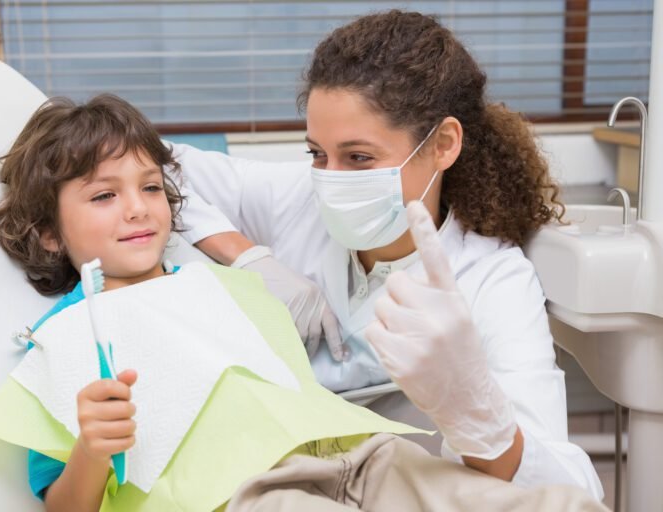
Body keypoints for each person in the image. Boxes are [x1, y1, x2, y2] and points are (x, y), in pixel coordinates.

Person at [0, 94, 608, 512]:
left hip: (358, 454)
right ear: (48, 231)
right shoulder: (64, 340)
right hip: (249, 493)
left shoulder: (218, 287)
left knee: (549, 504)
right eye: (103, 197)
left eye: (150, 188)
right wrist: (94, 449)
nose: (137, 207)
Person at [168, 10, 604, 498]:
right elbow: (143, 162)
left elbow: (572, 491)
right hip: (273, 470)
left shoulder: (491, 278)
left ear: (442, 145)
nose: (330, 179)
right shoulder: (295, 196)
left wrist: (479, 417)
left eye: (359, 158)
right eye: (317, 153)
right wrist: (247, 256)